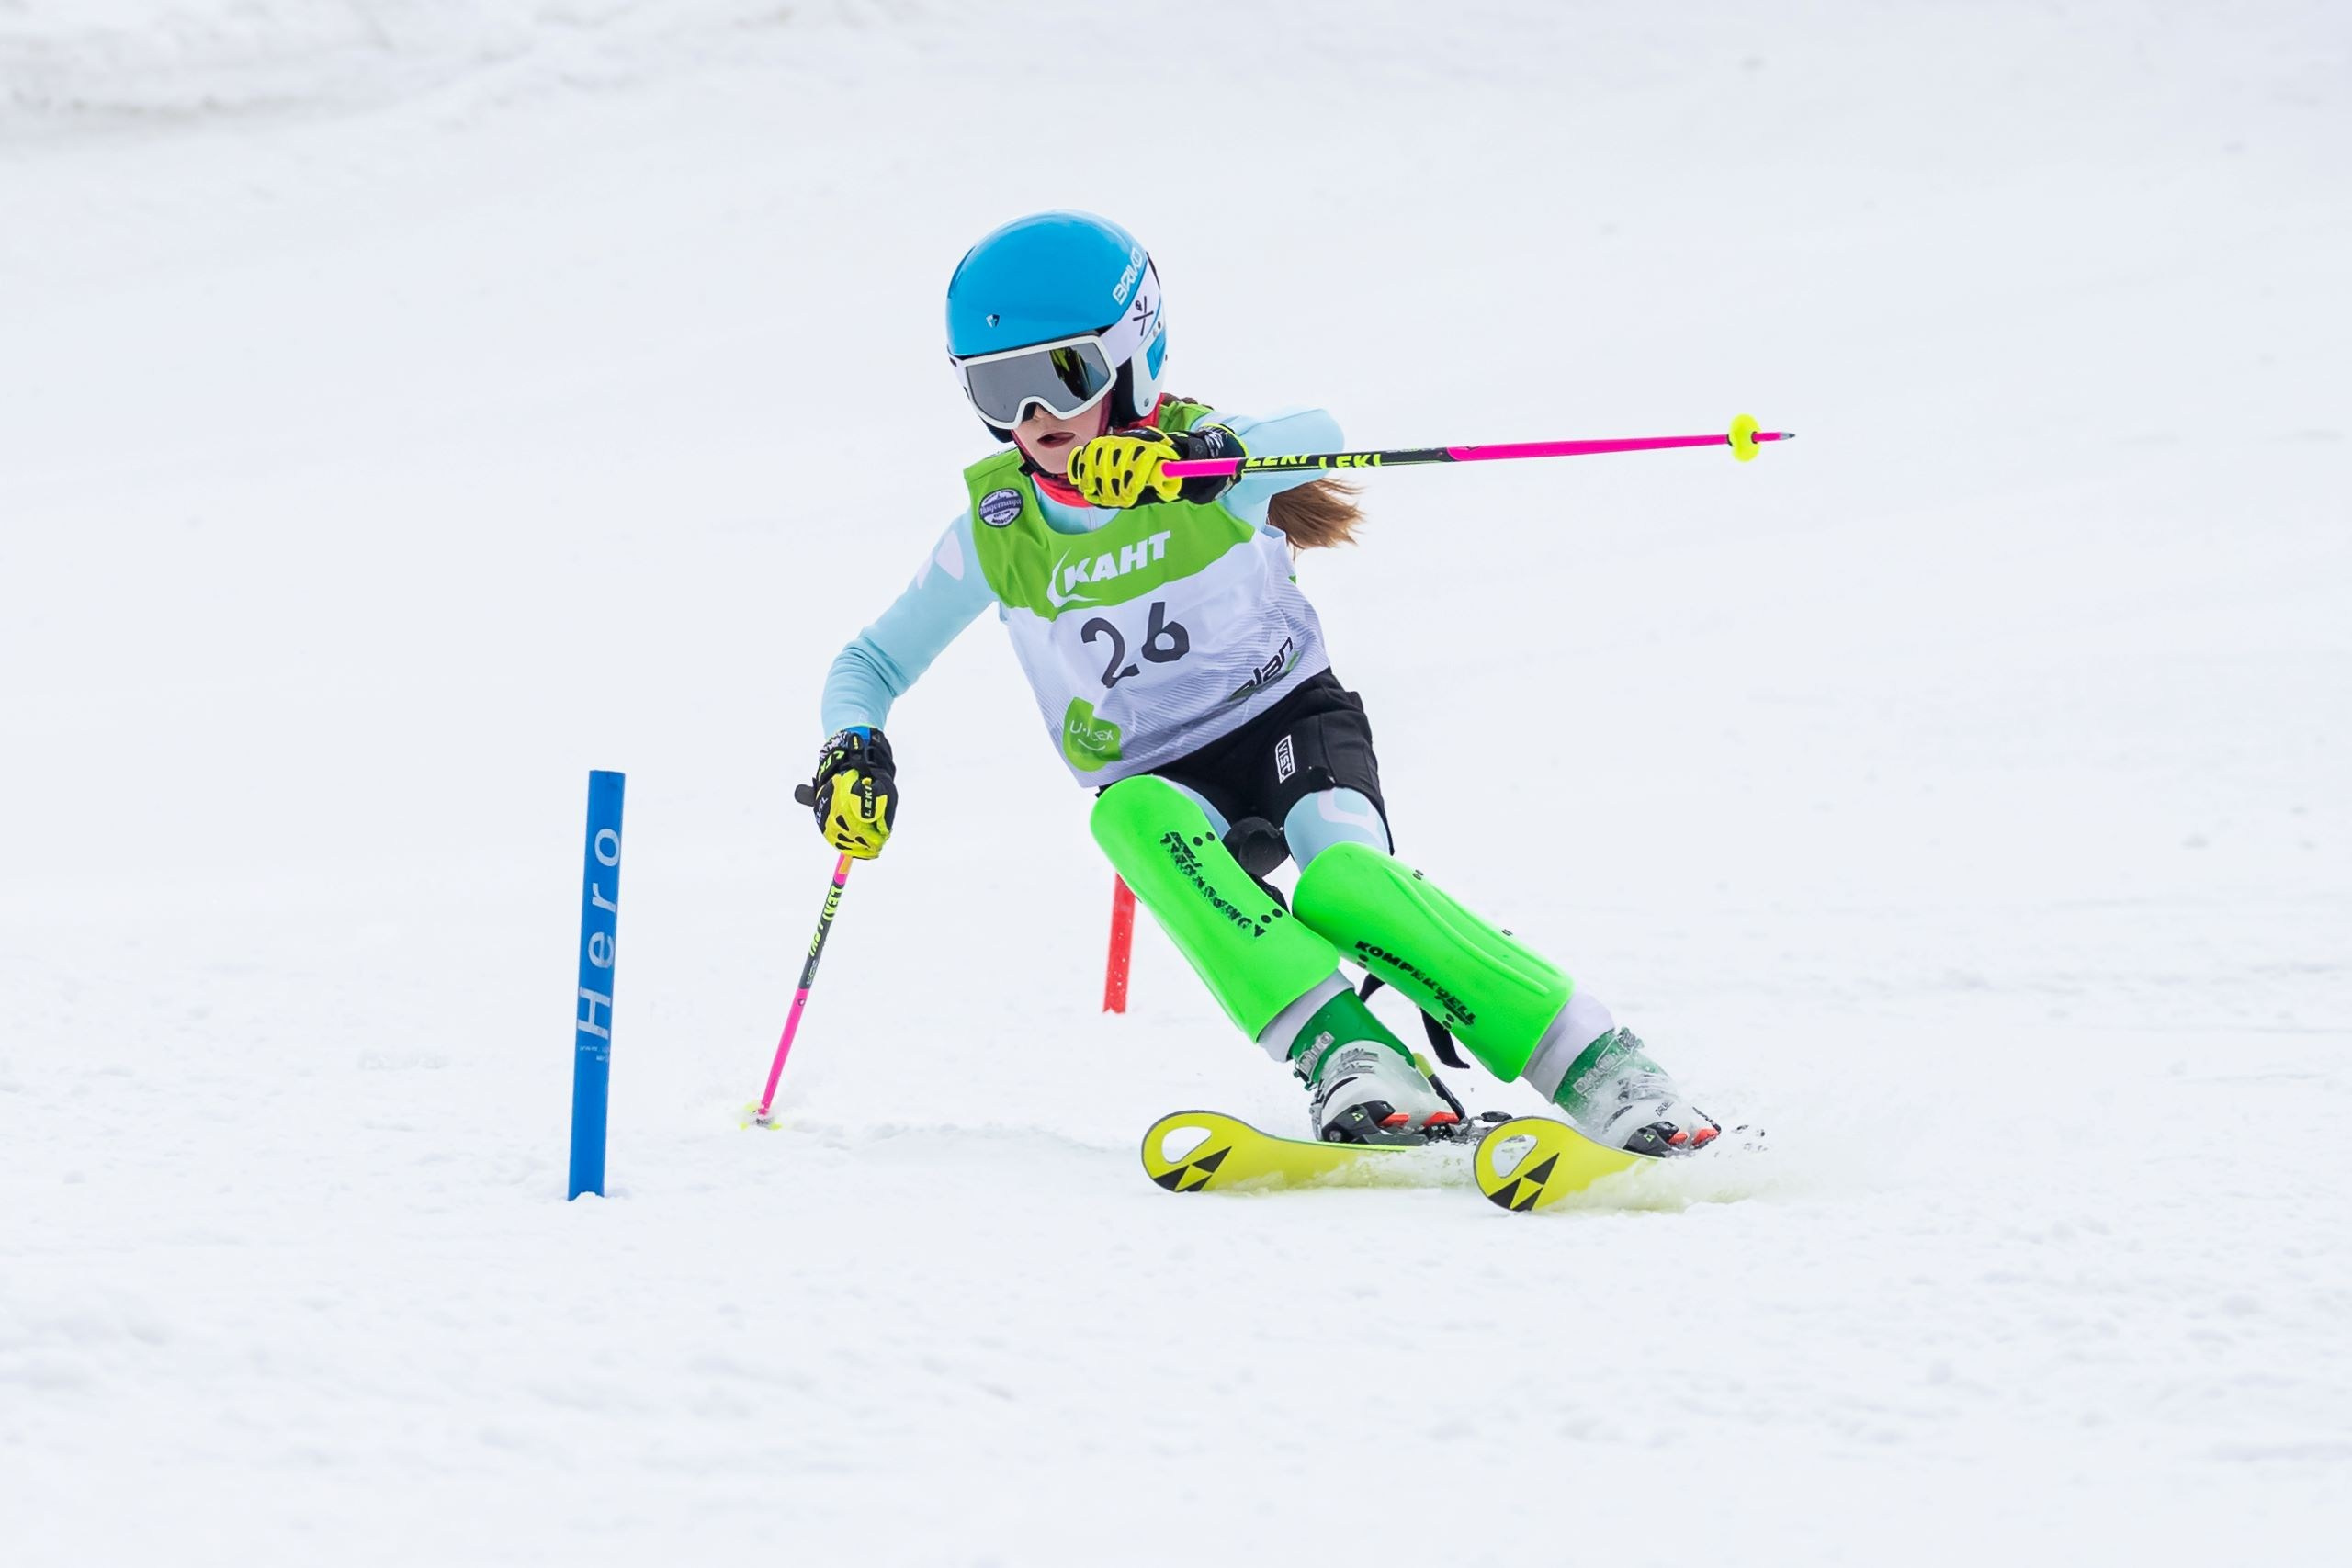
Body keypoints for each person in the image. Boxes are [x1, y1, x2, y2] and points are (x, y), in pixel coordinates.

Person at [801, 210, 1717, 1153]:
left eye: (1060, 377)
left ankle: (1602, 1065)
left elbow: (1317, 434)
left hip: (1290, 724)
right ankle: (1349, 1057)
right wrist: (853, 747)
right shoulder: (998, 527)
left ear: (1129, 356)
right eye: (1000, 389)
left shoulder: (1203, 457)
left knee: (1343, 876)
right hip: (1161, 778)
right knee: (1124, 821)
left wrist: (1201, 468)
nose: (1035, 419)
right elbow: (869, 662)